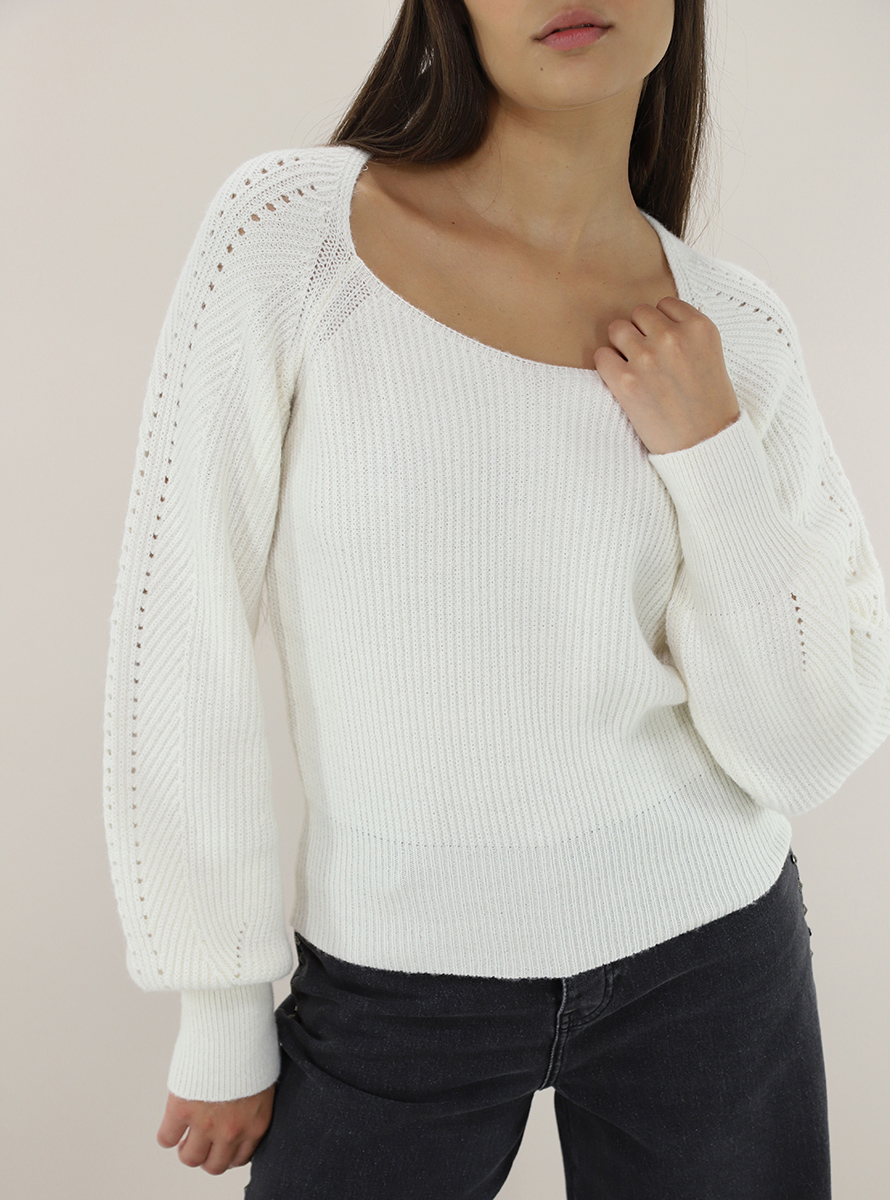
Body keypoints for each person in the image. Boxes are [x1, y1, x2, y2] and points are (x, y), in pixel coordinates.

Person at [101, 1, 890, 1196]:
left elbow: (803, 749)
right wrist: (219, 1000)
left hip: (711, 962)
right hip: (391, 987)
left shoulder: (734, 333)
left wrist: (709, 451)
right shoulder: (292, 235)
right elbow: (180, 622)